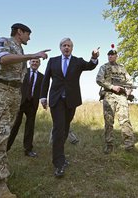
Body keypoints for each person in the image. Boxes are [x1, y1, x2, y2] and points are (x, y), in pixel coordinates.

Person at [0, 23, 50, 198]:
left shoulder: (20, 51)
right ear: (20, 32)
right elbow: (3, 59)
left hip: (14, 94)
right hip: (1, 91)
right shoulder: (4, 42)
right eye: (28, 34)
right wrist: (32, 55)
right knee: (1, 135)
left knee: (3, 134)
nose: (29, 38)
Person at [40, 38, 99, 178]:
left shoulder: (77, 61)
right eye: (64, 45)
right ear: (60, 47)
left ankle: (60, 155)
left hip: (71, 101)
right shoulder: (53, 61)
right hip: (56, 100)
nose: (67, 48)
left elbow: (90, 66)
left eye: (69, 46)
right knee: (59, 129)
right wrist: (43, 97)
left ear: (72, 48)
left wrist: (94, 57)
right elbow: (46, 78)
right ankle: (58, 164)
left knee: (65, 128)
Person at [96, 47, 135, 154]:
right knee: (108, 121)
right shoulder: (104, 67)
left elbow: (129, 81)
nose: (110, 56)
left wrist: (129, 90)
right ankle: (109, 145)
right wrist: (112, 87)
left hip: (121, 96)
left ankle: (129, 145)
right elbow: (99, 79)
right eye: (109, 55)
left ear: (116, 56)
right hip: (109, 96)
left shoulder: (122, 68)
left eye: (112, 55)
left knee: (125, 120)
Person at [6, 58, 44, 157]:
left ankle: (28, 150)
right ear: (29, 62)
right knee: (15, 125)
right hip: (20, 103)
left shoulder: (41, 77)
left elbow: (43, 90)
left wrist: (43, 100)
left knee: (30, 127)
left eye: (37, 62)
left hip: (32, 104)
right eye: (33, 61)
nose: (35, 63)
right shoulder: (23, 72)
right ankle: (5, 148)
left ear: (39, 64)